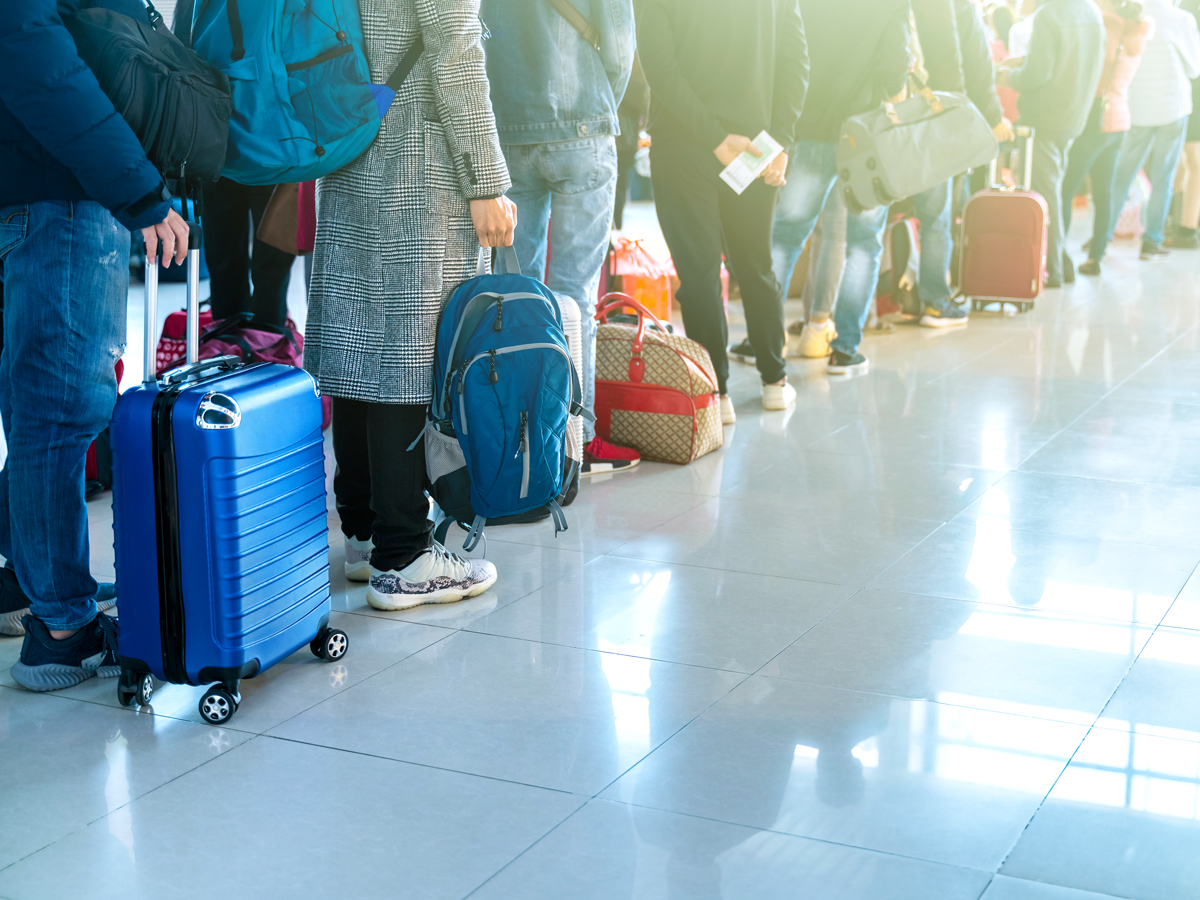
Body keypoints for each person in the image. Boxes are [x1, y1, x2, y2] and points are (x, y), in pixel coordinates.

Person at [0, 0, 189, 689]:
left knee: (31, 406)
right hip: (62, 191)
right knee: (57, 410)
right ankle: (62, 630)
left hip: (33, 186)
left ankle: (29, 579)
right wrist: (136, 187)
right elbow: (41, 64)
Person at [305, 0, 516, 612]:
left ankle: (365, 534)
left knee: (358, 346)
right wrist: (486, 181)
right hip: (417, 160)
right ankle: (404, 556)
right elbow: (454, 48)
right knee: (405, 351)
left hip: (351, 142)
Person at [480, 0, 642, 476]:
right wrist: (598, 101)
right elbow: (619, 40)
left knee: (515, 297)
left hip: (506, 128)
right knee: (573, 296)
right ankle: (577, 442)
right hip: (583, 125)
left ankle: (517, 437)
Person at [637, 0, 808, 424]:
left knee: (699, 274)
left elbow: (659, 65)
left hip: (682, 147)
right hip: (754, 148)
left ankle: (717, 395)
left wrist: (714, 138)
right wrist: (781, 139)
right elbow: (796, 63)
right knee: (755, 265)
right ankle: (774, 382)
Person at [771, 0, 911, 376]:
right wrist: (884, 91)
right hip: (863, 136)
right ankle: (844, 349)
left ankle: (763, 341)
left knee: (785, 236)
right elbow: (896, 62)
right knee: (863, 242)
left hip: (812, 123)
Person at [911, 0, 1013, 328]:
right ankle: (934, 300)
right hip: (938, 116)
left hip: (892, 111)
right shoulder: (960, 6)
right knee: (936, 214)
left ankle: (885, 297)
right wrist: (990, 117)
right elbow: (972, 61)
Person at [999, 0, 1106, 288]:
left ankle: (1053, 271)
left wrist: (1004, 75)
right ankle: (1061, 264)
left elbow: (1036, 76)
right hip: (1074, 115)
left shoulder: (1049, 14)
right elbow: (1071, 59)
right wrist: (1021, 62)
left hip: (1044, 117)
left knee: (1045, 194)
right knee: (1053, 189)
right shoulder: (1091, 11)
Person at [1062, 0, 1152, 276]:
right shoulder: (1138, 29)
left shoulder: (1103, 26)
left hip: (1094, 119)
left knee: (1066, 189)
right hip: (1120, 120)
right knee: (1104, 192)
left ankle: (1058, 257)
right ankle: (1096, 256)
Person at [1108, 0, 1200, 260]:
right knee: (1163, 180)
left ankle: (1103, 237)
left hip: (1137, 108)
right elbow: (1195, 68)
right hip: (1172, 108)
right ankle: (1151, 241)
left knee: (1122, 176)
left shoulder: (1131, 16)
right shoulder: (1181, 19)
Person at [1173, 0, 1200, 247]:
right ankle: (1184, 227)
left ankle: (1183, 226)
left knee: (1189, 160)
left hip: (1185, 91)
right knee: (1189, 160)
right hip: (1188, 90)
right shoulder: (1188, 9)